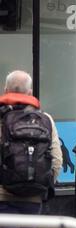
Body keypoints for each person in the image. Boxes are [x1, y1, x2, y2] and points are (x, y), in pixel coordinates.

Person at [0, 70, 62, 214]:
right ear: (30, 92)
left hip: (2, 198)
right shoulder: (45, 119)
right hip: (32, 200)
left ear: (5, 90)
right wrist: (40, 185)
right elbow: (57, 161)